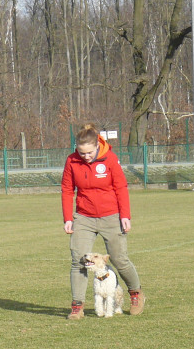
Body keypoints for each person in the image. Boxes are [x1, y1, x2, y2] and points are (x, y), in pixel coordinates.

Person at [61, 124, 145, 319]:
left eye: (89, 153)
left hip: (111, 215)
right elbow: (67, 190)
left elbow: (121, 187)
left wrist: (125, 215)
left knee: (118, 259)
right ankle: (77, 306)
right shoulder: (71, 161)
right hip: (84, 217)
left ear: (97, 146)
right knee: (79, 260)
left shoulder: (110, 159)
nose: (86, 156)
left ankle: (136, 293)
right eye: (82, 153)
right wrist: (68, 218)